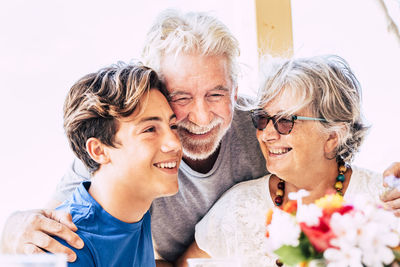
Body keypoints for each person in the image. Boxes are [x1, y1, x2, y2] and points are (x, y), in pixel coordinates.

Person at [1, 10, 400, 266]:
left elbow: (334, 156)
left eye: (216, 94)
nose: (202, 117)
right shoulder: (119, 156)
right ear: (156, 94)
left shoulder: (263, 127)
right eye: (180, 98)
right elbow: (51, 224)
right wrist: (15, 227)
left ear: (235, 88)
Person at [188, 55, 396, 266]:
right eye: (262, 119)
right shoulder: (238, 208)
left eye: (284, 121)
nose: (266, 134)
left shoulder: (387, 202)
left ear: (333, 136)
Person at [54, 62, 182, 266]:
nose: (175, 143)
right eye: (150, 130)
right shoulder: (68, 246)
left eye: (173, 126)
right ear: (99, 150)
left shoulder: (135, 217)